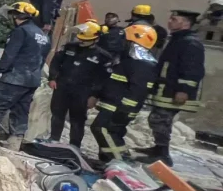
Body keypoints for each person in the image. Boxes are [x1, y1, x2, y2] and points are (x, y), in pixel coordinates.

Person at [134, 10, 205, 166]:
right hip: (166, 88)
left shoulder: (190, 42)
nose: (169, 21)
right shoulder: (177, 39)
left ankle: (163, 155)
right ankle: (158, 148)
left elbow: (193, 69)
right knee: (157, 118)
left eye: (174, 19)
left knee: (160, 120)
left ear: (185, 23)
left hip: (174, 90)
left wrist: (184, 90)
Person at [0, 2, 50, 150]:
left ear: (18, 15)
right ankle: (15, 141)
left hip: (15, 77)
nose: (11, 17)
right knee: (21, 110)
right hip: (32, 80)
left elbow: (9, 55)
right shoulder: (43, 36)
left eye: (12, 14)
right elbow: (42, 60)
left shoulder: (21, 31)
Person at [88, 24, 159, 163]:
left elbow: (138, 90)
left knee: (103, 129)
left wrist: (125, 109)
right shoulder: (127, 60)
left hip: (120, 107)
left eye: (125, 39)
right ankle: (108, 160)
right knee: (110, 132)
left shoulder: (143, 64)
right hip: (113, 104)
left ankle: (120, 162)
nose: (122, 42)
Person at [48, 21, 113, 148]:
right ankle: (54, 139)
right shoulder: (69, 47)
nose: (82, 42)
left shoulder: (103, 56)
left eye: (86, 40)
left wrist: (95, 96)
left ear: (96, 39)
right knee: (57, 114)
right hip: (63, 86)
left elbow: (103, 79)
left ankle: (74, 145)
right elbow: (56, 62)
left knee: (77, 119)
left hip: (83, 92)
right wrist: (53, 78)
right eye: (81, 39)